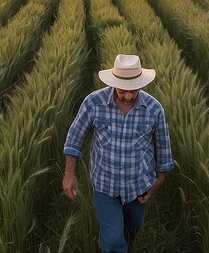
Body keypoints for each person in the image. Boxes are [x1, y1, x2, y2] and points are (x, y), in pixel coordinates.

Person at [63, 54, 174, 253]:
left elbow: (163, 147)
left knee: (132, 230)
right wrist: (69, 174)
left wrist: (158, 181)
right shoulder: (94, 103)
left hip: (139, 186)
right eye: (124, 91)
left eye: (134, 91)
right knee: (114, 242)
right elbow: (74, 137)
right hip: (105, 184)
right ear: (114, 83)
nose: (129, 96)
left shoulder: (154, 109)